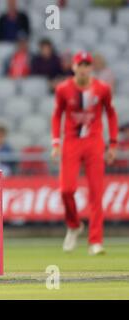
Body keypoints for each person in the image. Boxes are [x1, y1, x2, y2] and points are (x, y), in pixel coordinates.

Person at [51, 51, 119, 256]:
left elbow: (111, 114)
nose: (83, 68)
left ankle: (95, 241)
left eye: (87, 65)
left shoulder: (102, 88)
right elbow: (57, 115)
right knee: (66, 189)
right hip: (72, 141)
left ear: (91, 67)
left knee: (96, 193)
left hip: (94, 142)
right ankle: (74, 225)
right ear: (73, 67)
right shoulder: (63, 89)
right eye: (80, 65)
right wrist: (56, 142)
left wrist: (113, 143)